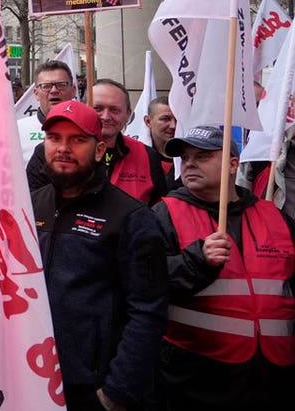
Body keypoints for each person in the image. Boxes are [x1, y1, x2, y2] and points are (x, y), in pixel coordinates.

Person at [31, 100, 168, 411]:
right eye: (54, 138)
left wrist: (116, 394)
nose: (63, 148)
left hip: (91, 390)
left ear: (98, 149)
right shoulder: (28, 205)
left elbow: (148, 312)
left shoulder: (131, 218)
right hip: (31, 380)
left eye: (77, 140)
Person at [152, 126, 295, 409]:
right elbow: (144, 283)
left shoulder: (273, 216)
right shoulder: (163, 213)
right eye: (186, 157)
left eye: (202, 156)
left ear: (232, 164)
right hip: (196, 378)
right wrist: (196, 262)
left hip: (274, 378)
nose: (190, 163)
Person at [28, 78, 168, 203]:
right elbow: (33, 205)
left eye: (114, 110)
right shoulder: (50, 153)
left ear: (128, 115)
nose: (105, 117)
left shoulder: (147, 156)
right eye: (97, 108)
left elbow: (158, 211)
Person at [17, 60, 77, 162]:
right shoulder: (17, 130)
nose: (54, 90)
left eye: (61, 85)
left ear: (73, 90)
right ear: (36, 93)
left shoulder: (87, 128)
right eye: (46, 86)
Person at [144, 96, 179, 190]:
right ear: (148, 121)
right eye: (165, 119)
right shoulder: (138, 158)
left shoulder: (191, 158)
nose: (173, 126)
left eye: (177, 119)